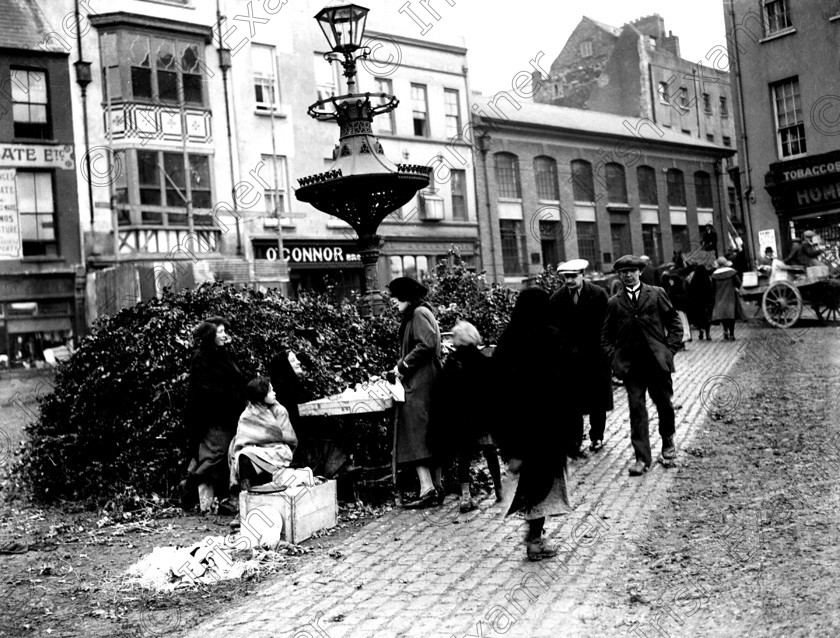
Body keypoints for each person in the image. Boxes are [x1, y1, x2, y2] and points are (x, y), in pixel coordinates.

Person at [493, 288, 573, 561]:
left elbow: (497, 386)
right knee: (544, 482)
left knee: (530, 481)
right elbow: (564, 384)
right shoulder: (552, 336)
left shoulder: (508, 338)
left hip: (519, 427)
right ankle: (535, 540)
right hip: (547, 426)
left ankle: (534, 535)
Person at [601, 255, 683, 476]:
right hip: (632, 367)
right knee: (637, 411)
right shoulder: (614, 303)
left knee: (664, 404)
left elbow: (675, 323)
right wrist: (615, 359)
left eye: (632, 271)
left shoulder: (656, 294)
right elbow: (606, 336)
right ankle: (642, 458)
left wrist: (669, 350)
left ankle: (667, 440)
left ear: (639, 272)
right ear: (619, 274)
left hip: (657, 364)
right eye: (623, 272)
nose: (628, 275)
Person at [429, 320, 502, 513]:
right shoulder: (482, 359)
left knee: (465, 456)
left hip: (462, 420)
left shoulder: (452, 362)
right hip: (482, 418)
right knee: (490, 452)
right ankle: (499, 489)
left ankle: (465, 495)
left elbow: (441, 391)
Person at [387, 276, 443, 509]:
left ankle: (428, 488)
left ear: (406, 296)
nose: (392, 302)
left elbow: (426, 344)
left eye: (395, 297)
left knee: (413, 429)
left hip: (421, 383)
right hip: (426, 380)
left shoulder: (418, 313)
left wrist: (401, 366)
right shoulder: (421, 312)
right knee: (428, 432)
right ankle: (435, 486)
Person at [548, 259, 613, 457]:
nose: (569, 280)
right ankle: (575, 441)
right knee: (572, 403)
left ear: (582, 275)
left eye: (573, 276)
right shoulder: (557, 299)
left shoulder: (598, 295)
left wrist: (606, 352)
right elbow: (553, 329)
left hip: (595, 358)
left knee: (597, 400)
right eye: (566, 277)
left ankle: (597, 437)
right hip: (570, 361)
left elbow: (607, 326)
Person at [183, 316, 246, 512]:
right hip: (214, 417)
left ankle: (207, 496)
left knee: (220, 455)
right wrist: (229, 397)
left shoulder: (223, 354)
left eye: (225, 331)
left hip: (228, 415)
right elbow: (204, 392)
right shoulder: (203, 358)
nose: (225, 335)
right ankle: (195, 495)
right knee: (214, 455)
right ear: (210, 335)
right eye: (221, 332)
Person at [229, 377, 298, 492]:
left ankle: (248, 495)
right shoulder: (247, 414)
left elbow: (289, 437)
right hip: (254, 451)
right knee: (243, 456)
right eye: (270, 391)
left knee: (246, 455)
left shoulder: (279, 410)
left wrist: (270, 435)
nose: (274, 393)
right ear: (261, 395)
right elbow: (243, 438)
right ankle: (245, 495)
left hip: (277, 450)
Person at [711, 256, 745, 341]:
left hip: (719, 297)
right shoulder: (732, 273)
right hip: (730, 296)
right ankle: (732, 334)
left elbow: (713, 288)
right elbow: (738, 283)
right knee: (731, 315)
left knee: (723, 315)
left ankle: (725, 330)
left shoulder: (715, 275)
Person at [686, 264, 714, 340]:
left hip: (697, 303)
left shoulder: (694, 279)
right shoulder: (706, 279)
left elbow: (690, 291)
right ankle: (708, 333)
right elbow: (710, 290)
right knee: (707, 318)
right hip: (706, 302)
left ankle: (701, 331)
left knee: (699, 318)